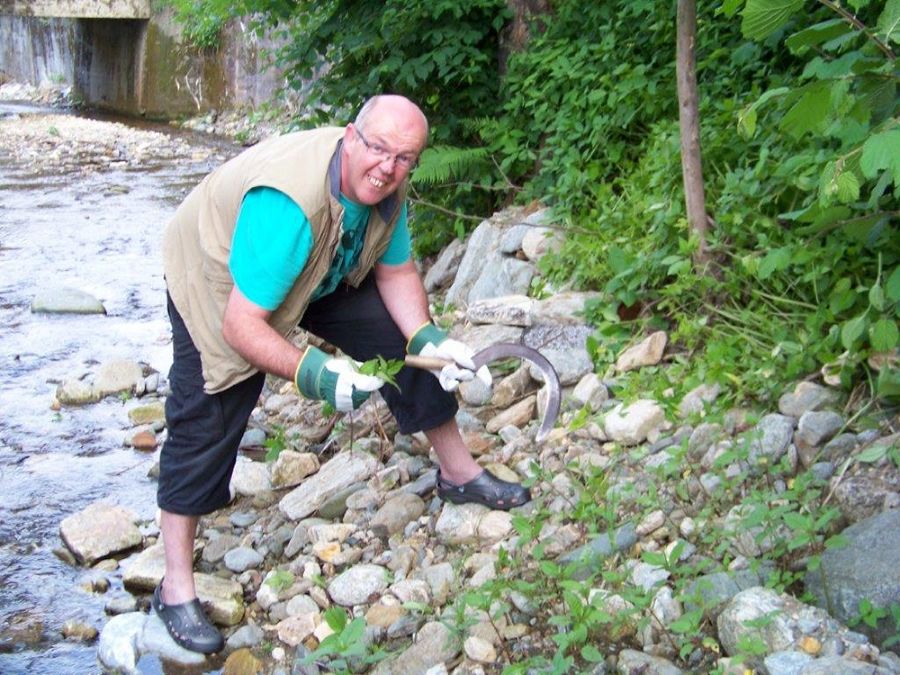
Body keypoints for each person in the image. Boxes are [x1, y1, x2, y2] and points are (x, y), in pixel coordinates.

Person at [152, 94, 531, 654]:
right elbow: (242, 327)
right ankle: (174, 587)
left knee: (402, 341)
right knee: (211, 409)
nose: (389, 167)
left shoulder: (387, 186)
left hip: (322, 265)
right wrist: (318, 374)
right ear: (351, 136)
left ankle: (459, 474)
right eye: (379, 149)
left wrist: (430, 341)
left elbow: (397, 271)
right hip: (224, 282)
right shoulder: (287, 208)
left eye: (405, 158)